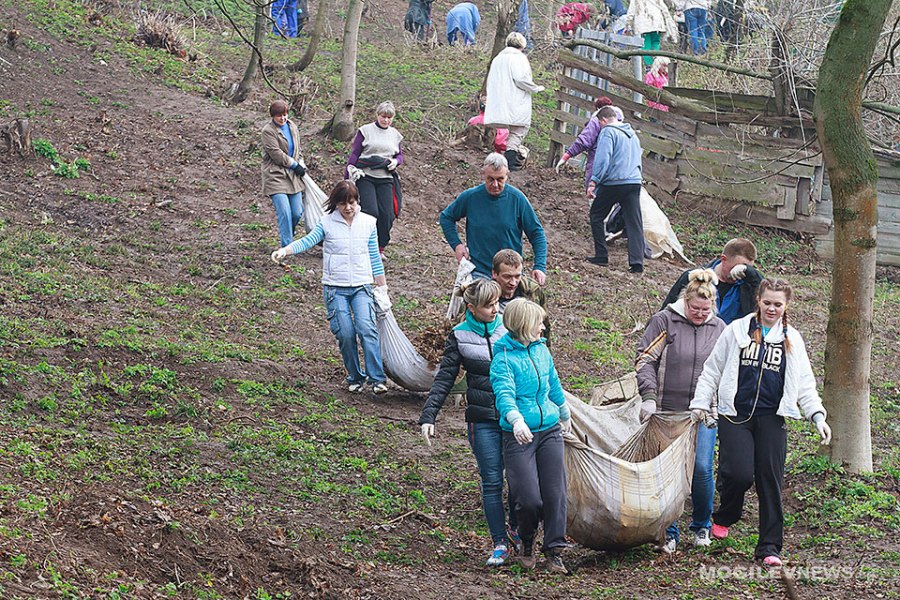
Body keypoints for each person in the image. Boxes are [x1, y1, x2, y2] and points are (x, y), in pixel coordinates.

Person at [690, 278, 832, 567]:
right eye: (767, 302)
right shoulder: (737, 330)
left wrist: (817, 415)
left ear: (786, 306)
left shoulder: (792, 339)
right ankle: (728, 514)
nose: (772, 308)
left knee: (771, 481)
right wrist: (700, 403)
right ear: (759, 301)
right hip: (735, 415)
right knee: (739, 474)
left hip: (772, 417)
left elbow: (804, 383)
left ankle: (769, 547)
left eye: (778, 304)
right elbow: (712, 370)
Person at [419, 279, 522, 567]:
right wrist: (429, 415)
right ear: (471, 308)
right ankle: (500, 542)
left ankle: (517, 530)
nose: (495, 309)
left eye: (497, 303)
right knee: (491, 482)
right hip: (482, 419)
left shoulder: (509, 326)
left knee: (519, 480)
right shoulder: (460, 335)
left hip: (514, 418)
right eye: (488, 305)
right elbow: (445, 377)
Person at [635, 269, 725, 553]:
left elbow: (726, 370)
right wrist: (648, 397)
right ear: (685, 301)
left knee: (701, 468)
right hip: (667, 411)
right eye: (694, 308)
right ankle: (669, 530)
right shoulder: (665, 321)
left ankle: (701, 526)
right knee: (670, 472)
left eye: (705, 309)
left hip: (703, 413)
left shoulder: (720, 328)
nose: (699, 314)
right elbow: (645, 358)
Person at [271, 181, 388, 395]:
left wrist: (382, 287)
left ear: (357, 201)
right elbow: (307, 241)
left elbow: (374, 257)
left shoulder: (368, 223)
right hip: (336, 288)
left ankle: (377, 378)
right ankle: (355, 376)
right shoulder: (326, 223)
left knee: (366, 329)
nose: (348, 208)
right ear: (336, 204)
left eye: (351, 202)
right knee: (345, 333)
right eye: (343, 203)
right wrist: (285, 251)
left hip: (362, 286)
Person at [491, 298, 570, 574]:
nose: (542, 326)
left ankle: (554, 551)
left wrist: (564, 413)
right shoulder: (502, 358)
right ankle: (526, 540)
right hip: (519, 435)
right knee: (528, 498)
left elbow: (554, 384)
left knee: (555, 493)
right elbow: (504, 395)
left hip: (549, 430)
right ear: (524, 325)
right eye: (538, 322)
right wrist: (515, 421)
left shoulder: (541, 351)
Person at [440, 153, 548, 284]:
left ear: (507, 175)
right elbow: (446, 217)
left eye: (500, 179)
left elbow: (537, 233)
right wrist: (457, 245)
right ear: (483, 174)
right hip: (479, 271)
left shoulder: (517, 199)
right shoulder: (471, 197)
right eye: (490, 179)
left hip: (509, 273)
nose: (495, 184)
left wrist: (540, 266)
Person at [585, 106, 645, 273]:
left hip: (614, 182)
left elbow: (603, 158)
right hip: (634, 182)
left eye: (599, 123)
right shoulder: (632, 134)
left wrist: (594, 181)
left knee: (596, 215)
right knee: (634, 222)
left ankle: (602, 255)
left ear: (603, 120)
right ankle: (637, 262)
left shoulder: (607, 132)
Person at [345, 101, 404, 259]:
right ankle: (364, 244)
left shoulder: (395, 135)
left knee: (387, 214)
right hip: (366, 176)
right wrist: (348, 173)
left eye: (389, 117)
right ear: (377, 115)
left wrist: (396, 162)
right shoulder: (365, 131)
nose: (385, 120)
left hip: (385, 176)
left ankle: (379, 247)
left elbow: (399, 155)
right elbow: (355, 153)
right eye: (383, 116)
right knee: (370, 211)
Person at [661, 238, 763, 324]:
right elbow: (665, 312)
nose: (739, 274)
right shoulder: (694, 277)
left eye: (746, 268)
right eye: (736, 267)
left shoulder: (748, 284)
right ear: (724, 259)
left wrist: (751, 273)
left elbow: (769, 293)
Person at [484, 32, 545, 171]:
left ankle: (502, 160)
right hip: (515, 100)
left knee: (510, 129)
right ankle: (509, 162)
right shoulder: (519, 58)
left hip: (500, 100)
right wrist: (535, 88)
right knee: (519, 129)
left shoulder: (498, 58)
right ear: (522, 45)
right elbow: (521, 79)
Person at [261, 100, 306, 248]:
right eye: (279, 116)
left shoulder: (292, 126)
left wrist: (301, 163)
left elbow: (298, 148)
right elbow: (276, 154)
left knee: (297, 212)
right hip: (276, 175)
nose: (283, 118)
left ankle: (289, 236)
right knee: (285, 213)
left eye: (285, 114)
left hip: (293, 176)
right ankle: (287, 247)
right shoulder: (268, 131)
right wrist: (295, 165)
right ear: (273, 116)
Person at [555, 96, 621, 191]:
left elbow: (584, 141)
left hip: (597, 166)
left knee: (595, 198)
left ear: (598, 108)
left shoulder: (597, 120)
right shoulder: (621, 123)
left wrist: (567, 155)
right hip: (618, 171)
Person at [492, 250, 551, 346]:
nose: (513, 282)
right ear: (494, 274)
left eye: (517, 276)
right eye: (507, 277)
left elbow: (545, 326)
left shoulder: (532, 291)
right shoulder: (483, 295)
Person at [625, 0, 678, 66]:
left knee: (646, 46)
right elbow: (664, 9)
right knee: (656, 43)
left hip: (643, 25)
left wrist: (628, 24)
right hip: (657, 24)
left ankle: (649, 65)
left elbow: (631, 12)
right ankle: (656, 63)